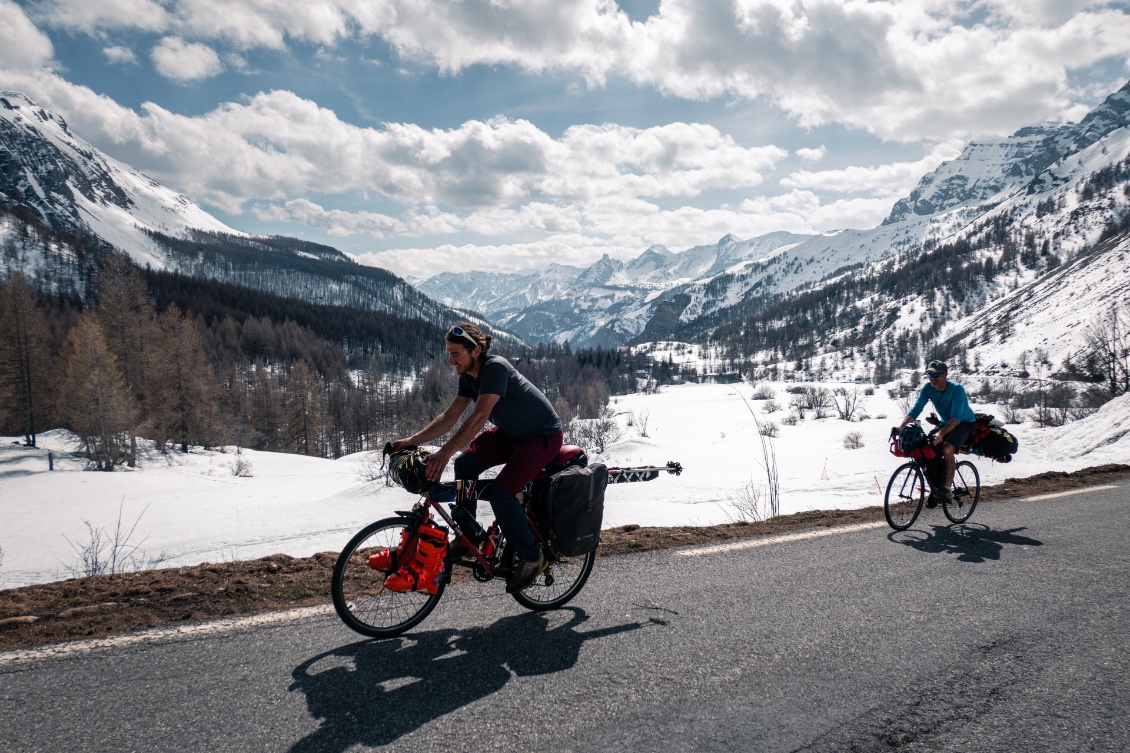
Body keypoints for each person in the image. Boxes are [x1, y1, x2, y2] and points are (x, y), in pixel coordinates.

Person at [392, 323, 563, 592]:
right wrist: (410, 441)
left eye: (456, 354)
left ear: (477, 350)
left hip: (541, 437)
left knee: (501, 493)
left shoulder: (495, 368)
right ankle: (468, 534)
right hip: (512, 433)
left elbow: (479, 417)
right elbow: (448, 417)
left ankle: (532, 556)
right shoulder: (467, 378)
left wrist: (444, 452)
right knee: (465, 463)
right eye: (448, 354)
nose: (451, 361)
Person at [897, 359, 977, 507]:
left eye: (936, 375)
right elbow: (916, 410)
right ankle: (936, 487)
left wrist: (940, 433)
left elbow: (957, 417)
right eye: (929, 375)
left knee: (947, 448)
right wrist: (900, 427)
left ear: (945, 375)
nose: (932, 378)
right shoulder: (928, 389)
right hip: (946, 422)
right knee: (926, 449)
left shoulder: (956, 389)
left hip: (964, 423)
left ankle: (946, 489)